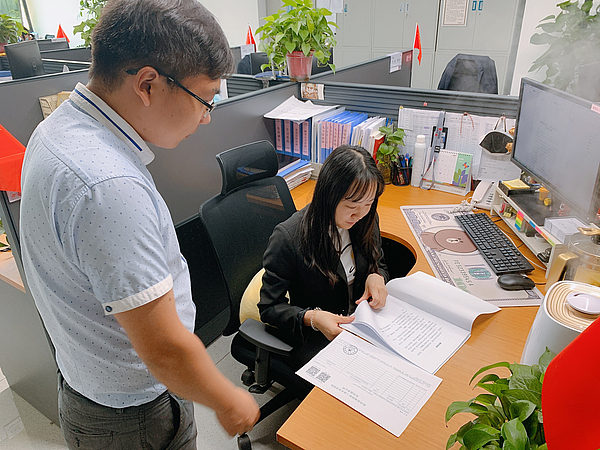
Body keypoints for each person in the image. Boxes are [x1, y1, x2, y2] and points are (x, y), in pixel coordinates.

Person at [19, 0, 259, 448]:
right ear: (147, 84)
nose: (207, 117)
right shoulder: (108, 187)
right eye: (204, 100)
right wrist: (229, 400)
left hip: (88, 383)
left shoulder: (58, 129)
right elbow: (164, 350)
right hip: (134, 416)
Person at [258, 145, 389, 366]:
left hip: (362, 325)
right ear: (328, 196)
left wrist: (377, 276)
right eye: (351, 205)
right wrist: (313, 318)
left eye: (368, 203)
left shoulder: (366, 218)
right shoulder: (288, 237)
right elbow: (269, 308)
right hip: (318, 336)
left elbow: (378, 263)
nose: (359, 214)